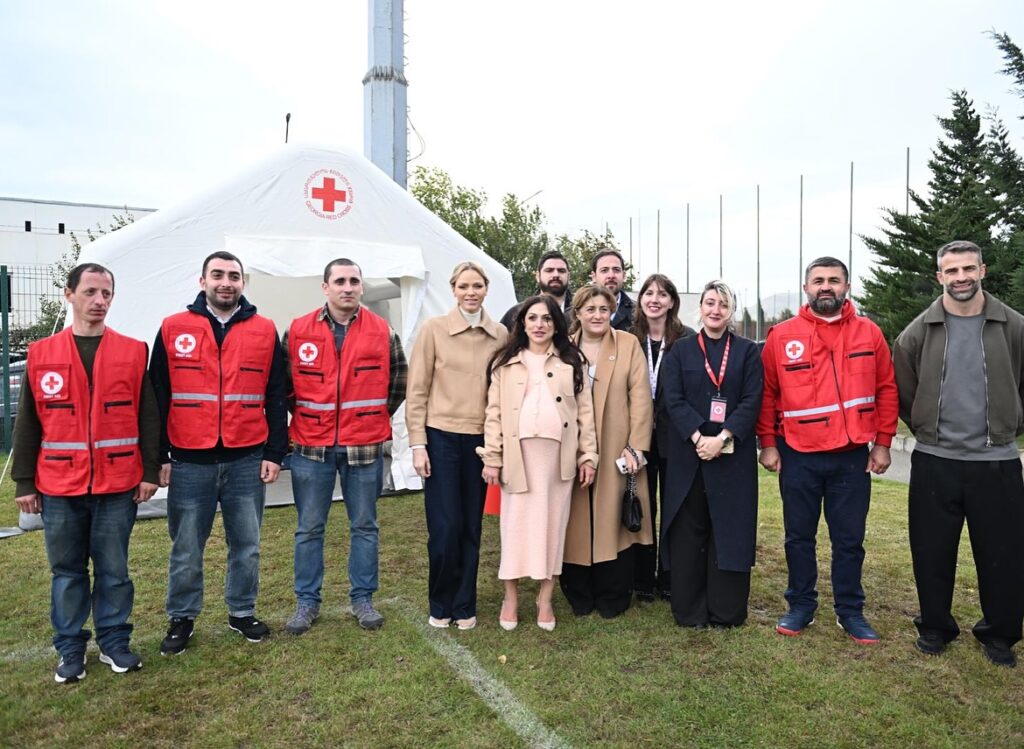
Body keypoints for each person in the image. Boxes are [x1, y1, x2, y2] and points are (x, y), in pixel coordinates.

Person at [12, 263, 159, 683]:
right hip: (59, 486)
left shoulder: (133, 351)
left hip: (118, 484)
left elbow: (147, 416)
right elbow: (29, 422)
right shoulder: (42, 354)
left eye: (107, 293)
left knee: (114, 570)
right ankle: (71, 648)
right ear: (69, 295)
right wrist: (25, 482)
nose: (99, 301)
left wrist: (149, 470)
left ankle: (115, 642)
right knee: (67, 571)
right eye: (91, 292)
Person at [893, 240, 1024, 668]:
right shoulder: (918, 332)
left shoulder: (1014, 326)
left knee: (1002, 554)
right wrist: (928, 430)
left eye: (969, 268)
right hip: (935, 461)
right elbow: (905, 390)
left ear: (983, 271)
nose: (961, 277)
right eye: (952, 271)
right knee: (931, 552)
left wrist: (1009, 426)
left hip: (997, 462)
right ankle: (935, 627)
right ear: (940, 278)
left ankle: (1000, 634)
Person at [151, 251, 288, 655]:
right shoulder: (175, 327)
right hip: (190, 458)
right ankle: (182, 616)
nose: (226, 282)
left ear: (243, 283)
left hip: (246, 457)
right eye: (218, 275)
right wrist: (159, 456)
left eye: (234, 276)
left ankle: (242, 612)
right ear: (202, 281)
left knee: (247, 543)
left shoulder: (264, 329)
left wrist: (276, 452)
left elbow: (276, 394)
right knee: (187, 545)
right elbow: (158, 393)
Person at [757, 256, 898, 644]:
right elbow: (767, 394)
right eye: (818, 280)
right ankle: (801, 605)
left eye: (834, 280)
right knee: (798, 537)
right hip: (797, 453)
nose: (826, 286)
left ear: (846, 287)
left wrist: (883, 443)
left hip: (851, 455)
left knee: (849, 539)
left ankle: (850, 611)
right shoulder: (782, 335)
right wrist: (768, 444)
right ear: (806, 287)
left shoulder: (869, 333)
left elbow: (886, 388)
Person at [283, 258, 408, 634]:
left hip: (364, 447)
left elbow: (399, 379)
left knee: (365, 526)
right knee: (308, 528)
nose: (348, 287)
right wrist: (308, 417)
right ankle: (306, 602)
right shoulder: (298, 329)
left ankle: (363, 599)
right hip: (311, 447)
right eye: (340, 281)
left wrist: (371, 417)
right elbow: (285, 386)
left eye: (355, 280)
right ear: (325, 287)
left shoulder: (381, 330)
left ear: (362, 287)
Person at [479, 295, 597, 631]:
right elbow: (494, 414)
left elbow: (584, 414)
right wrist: (493, 456)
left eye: (546, 319)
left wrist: (588, 455)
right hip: (519, 457)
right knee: (513, 528)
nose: (539, 325)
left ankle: (545, 598)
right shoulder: (505, 362)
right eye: (532, 318)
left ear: (556, 324)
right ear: (522, 323)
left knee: (552, 526)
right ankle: (511, 596)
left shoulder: (572, 361)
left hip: (557, 458)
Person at [405, 261, 508, 631]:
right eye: (464, 286)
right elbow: (416, 390)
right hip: (440, 438)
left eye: (477, 285)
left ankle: (465, 604)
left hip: (480, 440)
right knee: (445, 527)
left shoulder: (499, 335)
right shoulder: (433, 330)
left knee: (471, 526)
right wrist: (418, 443)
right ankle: (441, 601)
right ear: (453, 289)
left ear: (485, 289)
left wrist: (497, 446)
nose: (471, 292)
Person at [658, 281, 763, 627]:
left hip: (732, 456)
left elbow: (752, 399)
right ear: (699, 308)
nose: (715, 309)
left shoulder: (747, 351)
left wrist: (723, 436)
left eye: (723, 304)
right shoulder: (680, 350)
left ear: (731, 310)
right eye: (709, 303)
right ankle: (690, 610)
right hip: (689, 455)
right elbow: (672, 398)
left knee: (728, 530)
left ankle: (726, 610)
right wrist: (698, 435)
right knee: (690, 531)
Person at [560, 284, 653, 618]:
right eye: (590, 309)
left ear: (611, 312)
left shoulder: (627, 344)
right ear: (578, 313)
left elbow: (641, 398)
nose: (597, 315)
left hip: (618, 448)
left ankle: (614, 593)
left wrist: (636, 447)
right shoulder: (563, 348)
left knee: (613, 518)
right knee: (575, 520)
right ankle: (579, 593)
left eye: (603, 309)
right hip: (572, 447)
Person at [631, 273, 696, 603]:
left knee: (674, 509)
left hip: (676, 438)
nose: (654, 299)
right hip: (638, 436)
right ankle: (642, 578)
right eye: (648, 293)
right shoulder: (628, 337)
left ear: (672, 301)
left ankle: (670, 576)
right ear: (640, 299)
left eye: (662, 294)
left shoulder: (687, 339)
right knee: (642, 505)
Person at [500, 250, 573, 329]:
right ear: (538, 276)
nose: (556, 275)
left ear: (568, 276)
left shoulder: (580, 313)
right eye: (549, 270)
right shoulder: (517, 313)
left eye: (561, 271)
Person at [590, 248, 635, 331]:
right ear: (594, 276)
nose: (611, 275)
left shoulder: (638, 313)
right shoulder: (577, 312)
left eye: (616, 270)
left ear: (624, 275)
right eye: (604, 270)